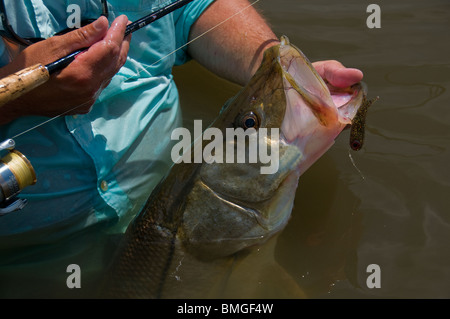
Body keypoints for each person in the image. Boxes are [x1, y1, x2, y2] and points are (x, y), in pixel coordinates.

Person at [0, 0, 363, 298]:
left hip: (169, 197)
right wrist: (13, 100)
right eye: (249, 127)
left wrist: (268, 64)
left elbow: (193, 9)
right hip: (33, 259)